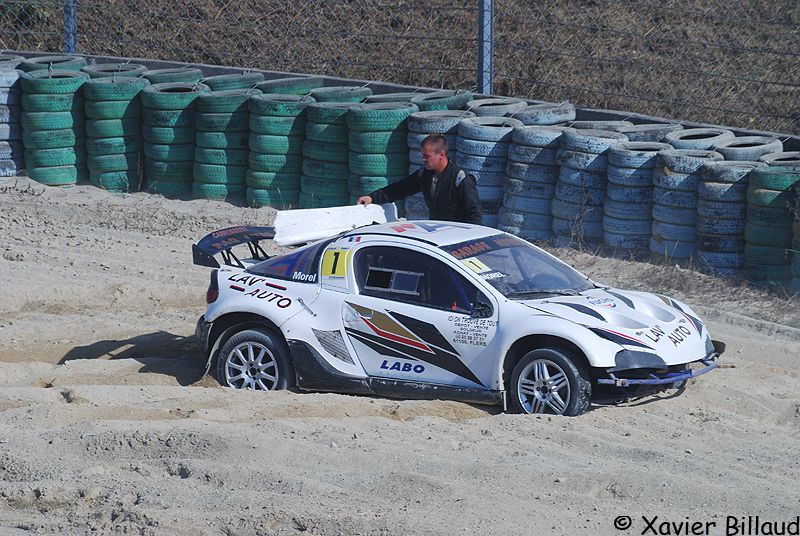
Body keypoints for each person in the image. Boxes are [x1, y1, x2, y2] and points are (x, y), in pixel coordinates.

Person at [357, 134, 483, 224]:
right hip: (437, 234)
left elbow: (475, 214)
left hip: (458, 237)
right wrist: (372, 198)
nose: (423, 159)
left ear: (441, 155)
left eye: (426, 156)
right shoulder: (424, 175)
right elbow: (399, 189)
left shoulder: (461, 179)